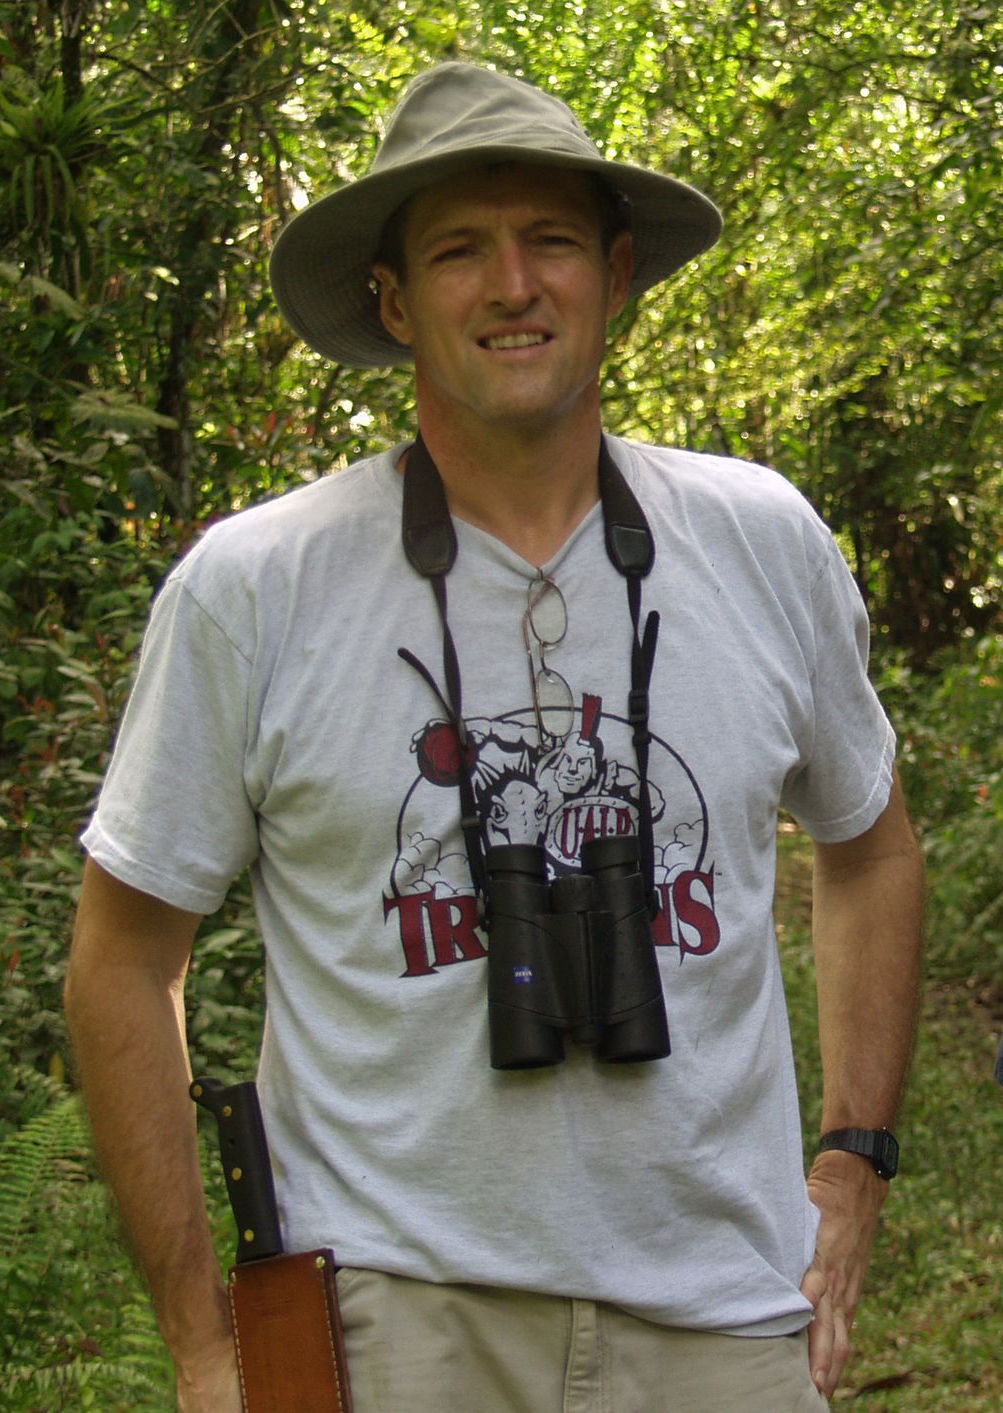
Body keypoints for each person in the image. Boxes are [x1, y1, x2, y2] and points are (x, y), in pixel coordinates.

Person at [65, 62, 923, 1412]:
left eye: (553, 242)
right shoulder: (255, 588)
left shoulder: (762, 544)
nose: (513, 284)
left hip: (723, 1311)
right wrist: (204, 1341)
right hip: (397, 1318)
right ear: (395, 301)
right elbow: (121, 962)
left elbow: (869, 847)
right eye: (460, 249)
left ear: (618, 273)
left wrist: (853, 1158)